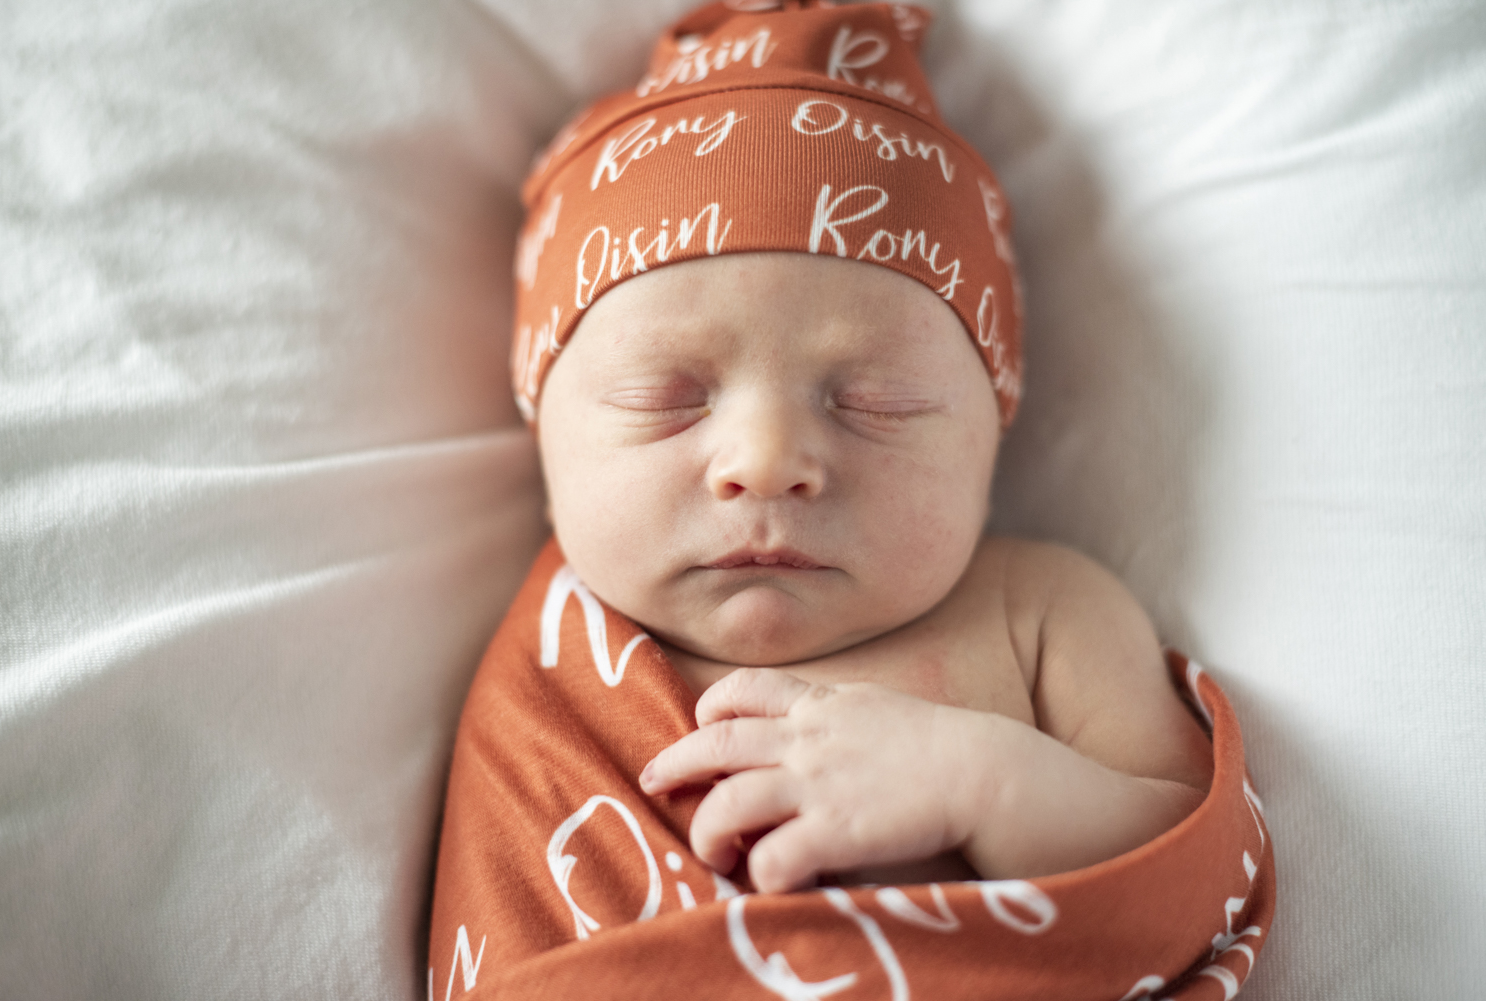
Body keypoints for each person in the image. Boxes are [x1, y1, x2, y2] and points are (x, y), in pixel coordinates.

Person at [429, 3, 1271, 994]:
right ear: (547, 427)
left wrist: (981, 780)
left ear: (990, 424)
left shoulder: (1040, 612)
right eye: (668, 397)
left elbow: (1197, 863)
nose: (768, 460)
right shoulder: (553, 675)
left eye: (876, 400)